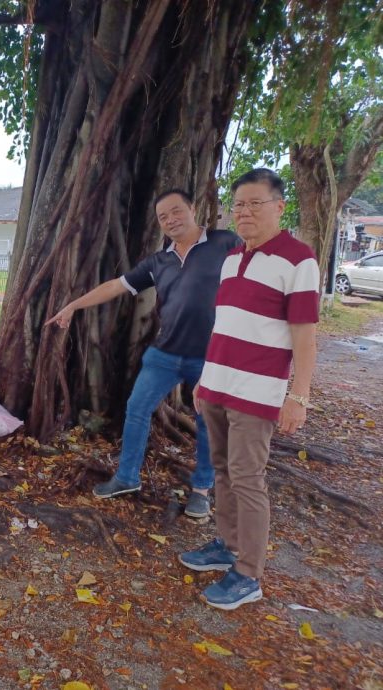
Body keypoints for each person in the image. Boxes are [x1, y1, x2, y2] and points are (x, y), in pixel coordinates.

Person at [46, 189, 241, 518]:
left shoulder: (225, 243)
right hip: (164, 354)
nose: (171, 220)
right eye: (163, 217)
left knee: (208, 421)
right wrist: (74, 305)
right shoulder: (159, 261)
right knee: (136, 409)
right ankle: (126, 477)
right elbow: (115, 286)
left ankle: (201, 490)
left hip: (210, 356)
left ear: (193, 209)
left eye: (176, 212)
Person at [181, 168, 319, 610]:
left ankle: (248, 573)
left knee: (247, 479)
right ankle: (225, 543)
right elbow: (224, 327)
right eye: (238, 204)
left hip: (258, 393)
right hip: (218, 385)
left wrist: (298, 395)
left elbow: (304, 335)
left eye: (255, 204)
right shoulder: (231, 259)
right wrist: (205, 377)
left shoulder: (299, 261)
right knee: (221, 470)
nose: (244, 212)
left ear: (279, 207)